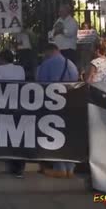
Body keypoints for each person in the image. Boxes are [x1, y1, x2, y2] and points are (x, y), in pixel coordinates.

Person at [37, 44, 79, 179]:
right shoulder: (71, 64)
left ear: (48, 51)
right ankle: (70, 169)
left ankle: (59, 168)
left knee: (55, 135)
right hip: (71, 103)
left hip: (53, 104)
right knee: (69, 136)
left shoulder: (47, 64)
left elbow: (40, 83)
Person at [0, 50, 26, 178]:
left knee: (7, 132)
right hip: (19, 103)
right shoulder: (20, 69)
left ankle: (10, 159)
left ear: (2, 59)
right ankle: (19, 166)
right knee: (18, 134)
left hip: (5, 104)